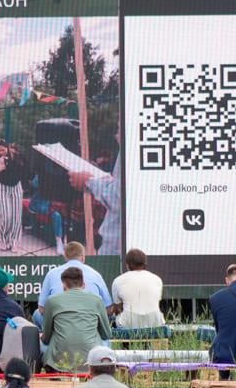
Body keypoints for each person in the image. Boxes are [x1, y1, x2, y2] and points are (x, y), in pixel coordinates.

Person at [41, 266, 111, 372]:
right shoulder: (97, 300)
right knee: (105, 341)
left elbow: (45, 338)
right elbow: (106, 334)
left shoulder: (52, 301)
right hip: (91, 360)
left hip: (59, 362)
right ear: (84, 285)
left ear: (63, 286)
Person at [68, 125, 121, 256]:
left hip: (117, 248)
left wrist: (88, 181)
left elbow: (118, 198)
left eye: (119, 129)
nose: (116, 136)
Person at [34, 242, 111, 326]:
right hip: (90, 325)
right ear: (83, 257)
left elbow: (42, 309)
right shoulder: (95, 275)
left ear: (65, 257)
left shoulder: (51, 274)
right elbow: (108, 308)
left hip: (60, 325)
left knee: (37, 314)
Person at [111, 248, 165, 329]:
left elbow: (117, 308)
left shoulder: (118, 281)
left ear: (127, 265)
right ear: (145, 263)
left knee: (115, 319)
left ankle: (127, 341)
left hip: (128, 324)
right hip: (155, 323)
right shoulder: (157, 279)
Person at [0, 140, 25, 252]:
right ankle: (3, 238)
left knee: (16, 217)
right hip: (3, 188)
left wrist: (10, 163)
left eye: (2, 149)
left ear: (7, 148)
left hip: (16, 187)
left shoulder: (16, 157)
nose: (0, 152)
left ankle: (14, 241)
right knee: (6, 216)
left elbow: (24, 171)